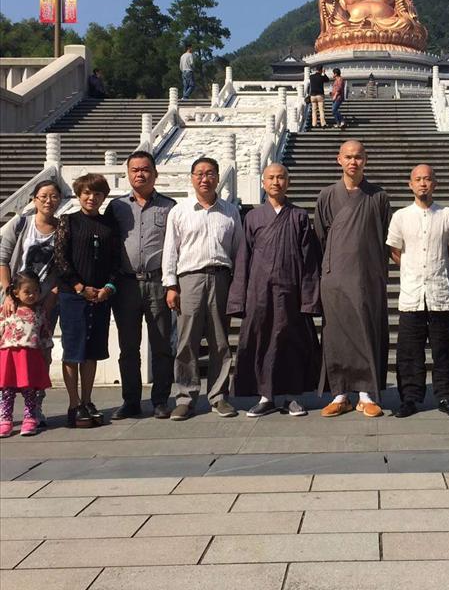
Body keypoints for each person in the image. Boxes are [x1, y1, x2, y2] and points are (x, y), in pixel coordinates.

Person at [227, 163, 321, 418]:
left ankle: (292, 397)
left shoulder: (300, 216)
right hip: (259, 293)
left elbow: (309, 261)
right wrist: (239, 298)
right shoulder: (253, 217)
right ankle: (266, 396)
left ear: (288, 182)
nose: (276, 182)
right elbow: (243, 258)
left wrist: (309, 298)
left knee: (291, 343)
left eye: (281, 177)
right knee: (262, 343)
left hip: (291, 292)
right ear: (263, 182)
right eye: (271, 178)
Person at [162, 157, 242, 420]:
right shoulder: (180, 210)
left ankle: (218, 396)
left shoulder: (230, 211)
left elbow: (238, 250)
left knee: (220, 341)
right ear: (192, 178)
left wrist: (237, 283)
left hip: (220, 278)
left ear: (218, 178)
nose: (204, 178)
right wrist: (171, 284)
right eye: (199, 174)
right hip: (189, 280)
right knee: (187, 341)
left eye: (210, 174)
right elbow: (170, 251)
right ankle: (186, 397)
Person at [315, 140, 390, 417]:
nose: (353, 162)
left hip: (367, 276)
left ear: (365, 160)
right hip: (335, 276)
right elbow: (321, 237)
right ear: (339, 160)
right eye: (348, 157)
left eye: (358, 157)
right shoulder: (326, 196)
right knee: (336, 334)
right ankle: (340, 393)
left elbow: (382, 237)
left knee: (366, 330)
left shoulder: (378, 196)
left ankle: (367, 393)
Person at [387, 164, 449, 418]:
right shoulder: (400, 216)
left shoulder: (448, 214)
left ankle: (447, 396)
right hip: (411, 294)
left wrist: (435, 265)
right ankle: (409, 398)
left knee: (445, 349)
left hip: (440, 292)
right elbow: (395, 251)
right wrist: (414, 269)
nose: (423, 184)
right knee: (409, 351)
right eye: (418, 179)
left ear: (435, 183)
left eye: (427, 179)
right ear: (410, 184)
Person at [106, 151, 177, 420]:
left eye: (145, 169)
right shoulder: (117, 208)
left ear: (155, 173)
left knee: (161, 345)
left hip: (158, 282)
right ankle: (131, 401)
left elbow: (175, 248)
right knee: (128, 348)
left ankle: (160, 400)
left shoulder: (169, 207)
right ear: (128, 174)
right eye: (134, 169)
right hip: (126, 285)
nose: (140, 174)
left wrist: (173, 285)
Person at [55, 173, 120, 428]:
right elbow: (61, 259)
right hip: (74, 295)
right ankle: (73, 404)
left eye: (97, 194)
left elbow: (116, 261)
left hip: (100, 296)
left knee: (92, 351)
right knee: (74, 351)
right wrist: (79, 286)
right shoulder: (68, 222)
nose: (92, 198)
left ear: (104, 197)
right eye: (87, 193)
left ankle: (87, 399)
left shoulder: (109, 226)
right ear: (79, 194)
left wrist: (108, 287)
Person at [1, 179, 62, 425]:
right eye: (44, 196)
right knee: (8, 356)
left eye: (54, 196)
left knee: (41, 356)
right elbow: (3, 259)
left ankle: (34, 408)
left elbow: (63, 268)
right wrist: (8, 293)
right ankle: (5, 410)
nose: (49, 201)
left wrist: (50, 299)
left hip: (45, 303)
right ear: (34, 199)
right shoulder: (21, 224)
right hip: (13, 305)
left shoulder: (63, 229)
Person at [0, 271, 53, 438]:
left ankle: (30, 417)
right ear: (16, 292)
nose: (32, 295)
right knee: (7, 390)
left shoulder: (40, 312)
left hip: (29, 356)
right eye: (27, 292)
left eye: (36, 291)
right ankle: (5, 419)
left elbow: (45, 334)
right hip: (9, 355)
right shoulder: (8, 309)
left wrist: (46, 354)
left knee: (29, 389)